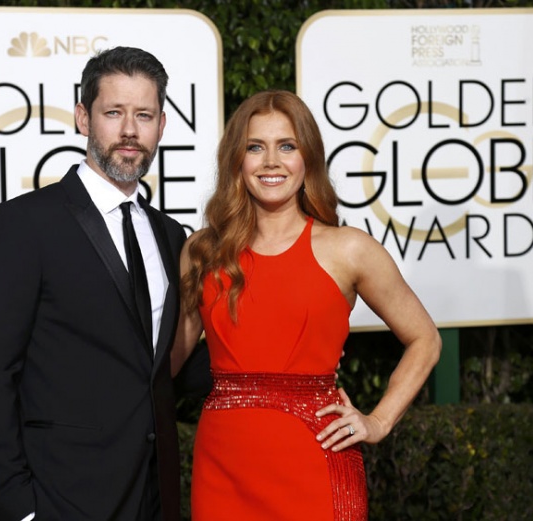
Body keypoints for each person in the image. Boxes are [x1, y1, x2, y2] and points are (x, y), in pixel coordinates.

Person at [170, 90, 442, 520]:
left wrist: (379, 421)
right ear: (236, 161)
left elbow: (425, 338)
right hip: (221, 469)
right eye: (255, 147)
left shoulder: (349, 249)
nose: (271, 162)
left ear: (308, 158)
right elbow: (167, 364)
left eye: (287, 146)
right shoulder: (203, 252)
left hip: (316, 461)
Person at [0, 46, 203, 521]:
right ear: (82, 118)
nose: (130, 130)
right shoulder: (23, 224)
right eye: (114, 113)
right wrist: (16, 507)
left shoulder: (171, 236)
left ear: (162, 126)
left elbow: (165, 370)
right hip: (59, 500)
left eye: (144, 115)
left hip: (154, 498)